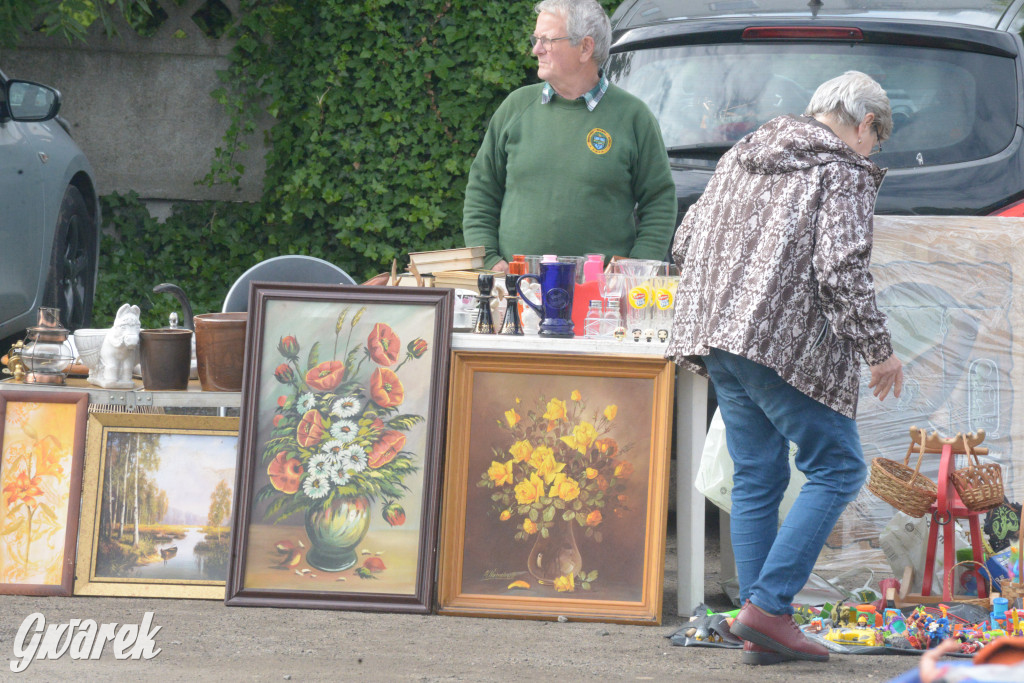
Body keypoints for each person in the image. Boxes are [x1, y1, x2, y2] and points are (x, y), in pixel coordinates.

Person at [665, 70, 904, 665]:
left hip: (716, 334)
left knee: (757, 474)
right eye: (876, 142)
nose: (871, 155)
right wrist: (879, 351)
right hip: (778, 344)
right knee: (840, 467)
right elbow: (841, 269)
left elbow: (684, 242)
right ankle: (768, 610)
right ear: (866, 124)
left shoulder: (743, 154)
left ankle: (760, 625)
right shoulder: (841, 169)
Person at [461, 0, 677, 273]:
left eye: (547, 40)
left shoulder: (634, 117)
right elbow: (482, 189)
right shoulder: (515, 107)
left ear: (585, 47)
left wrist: (634, 270)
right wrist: (490, 260)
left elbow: (659, 201)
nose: (536, 49)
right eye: (536, 39)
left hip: (600, 294)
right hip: (518, 288)